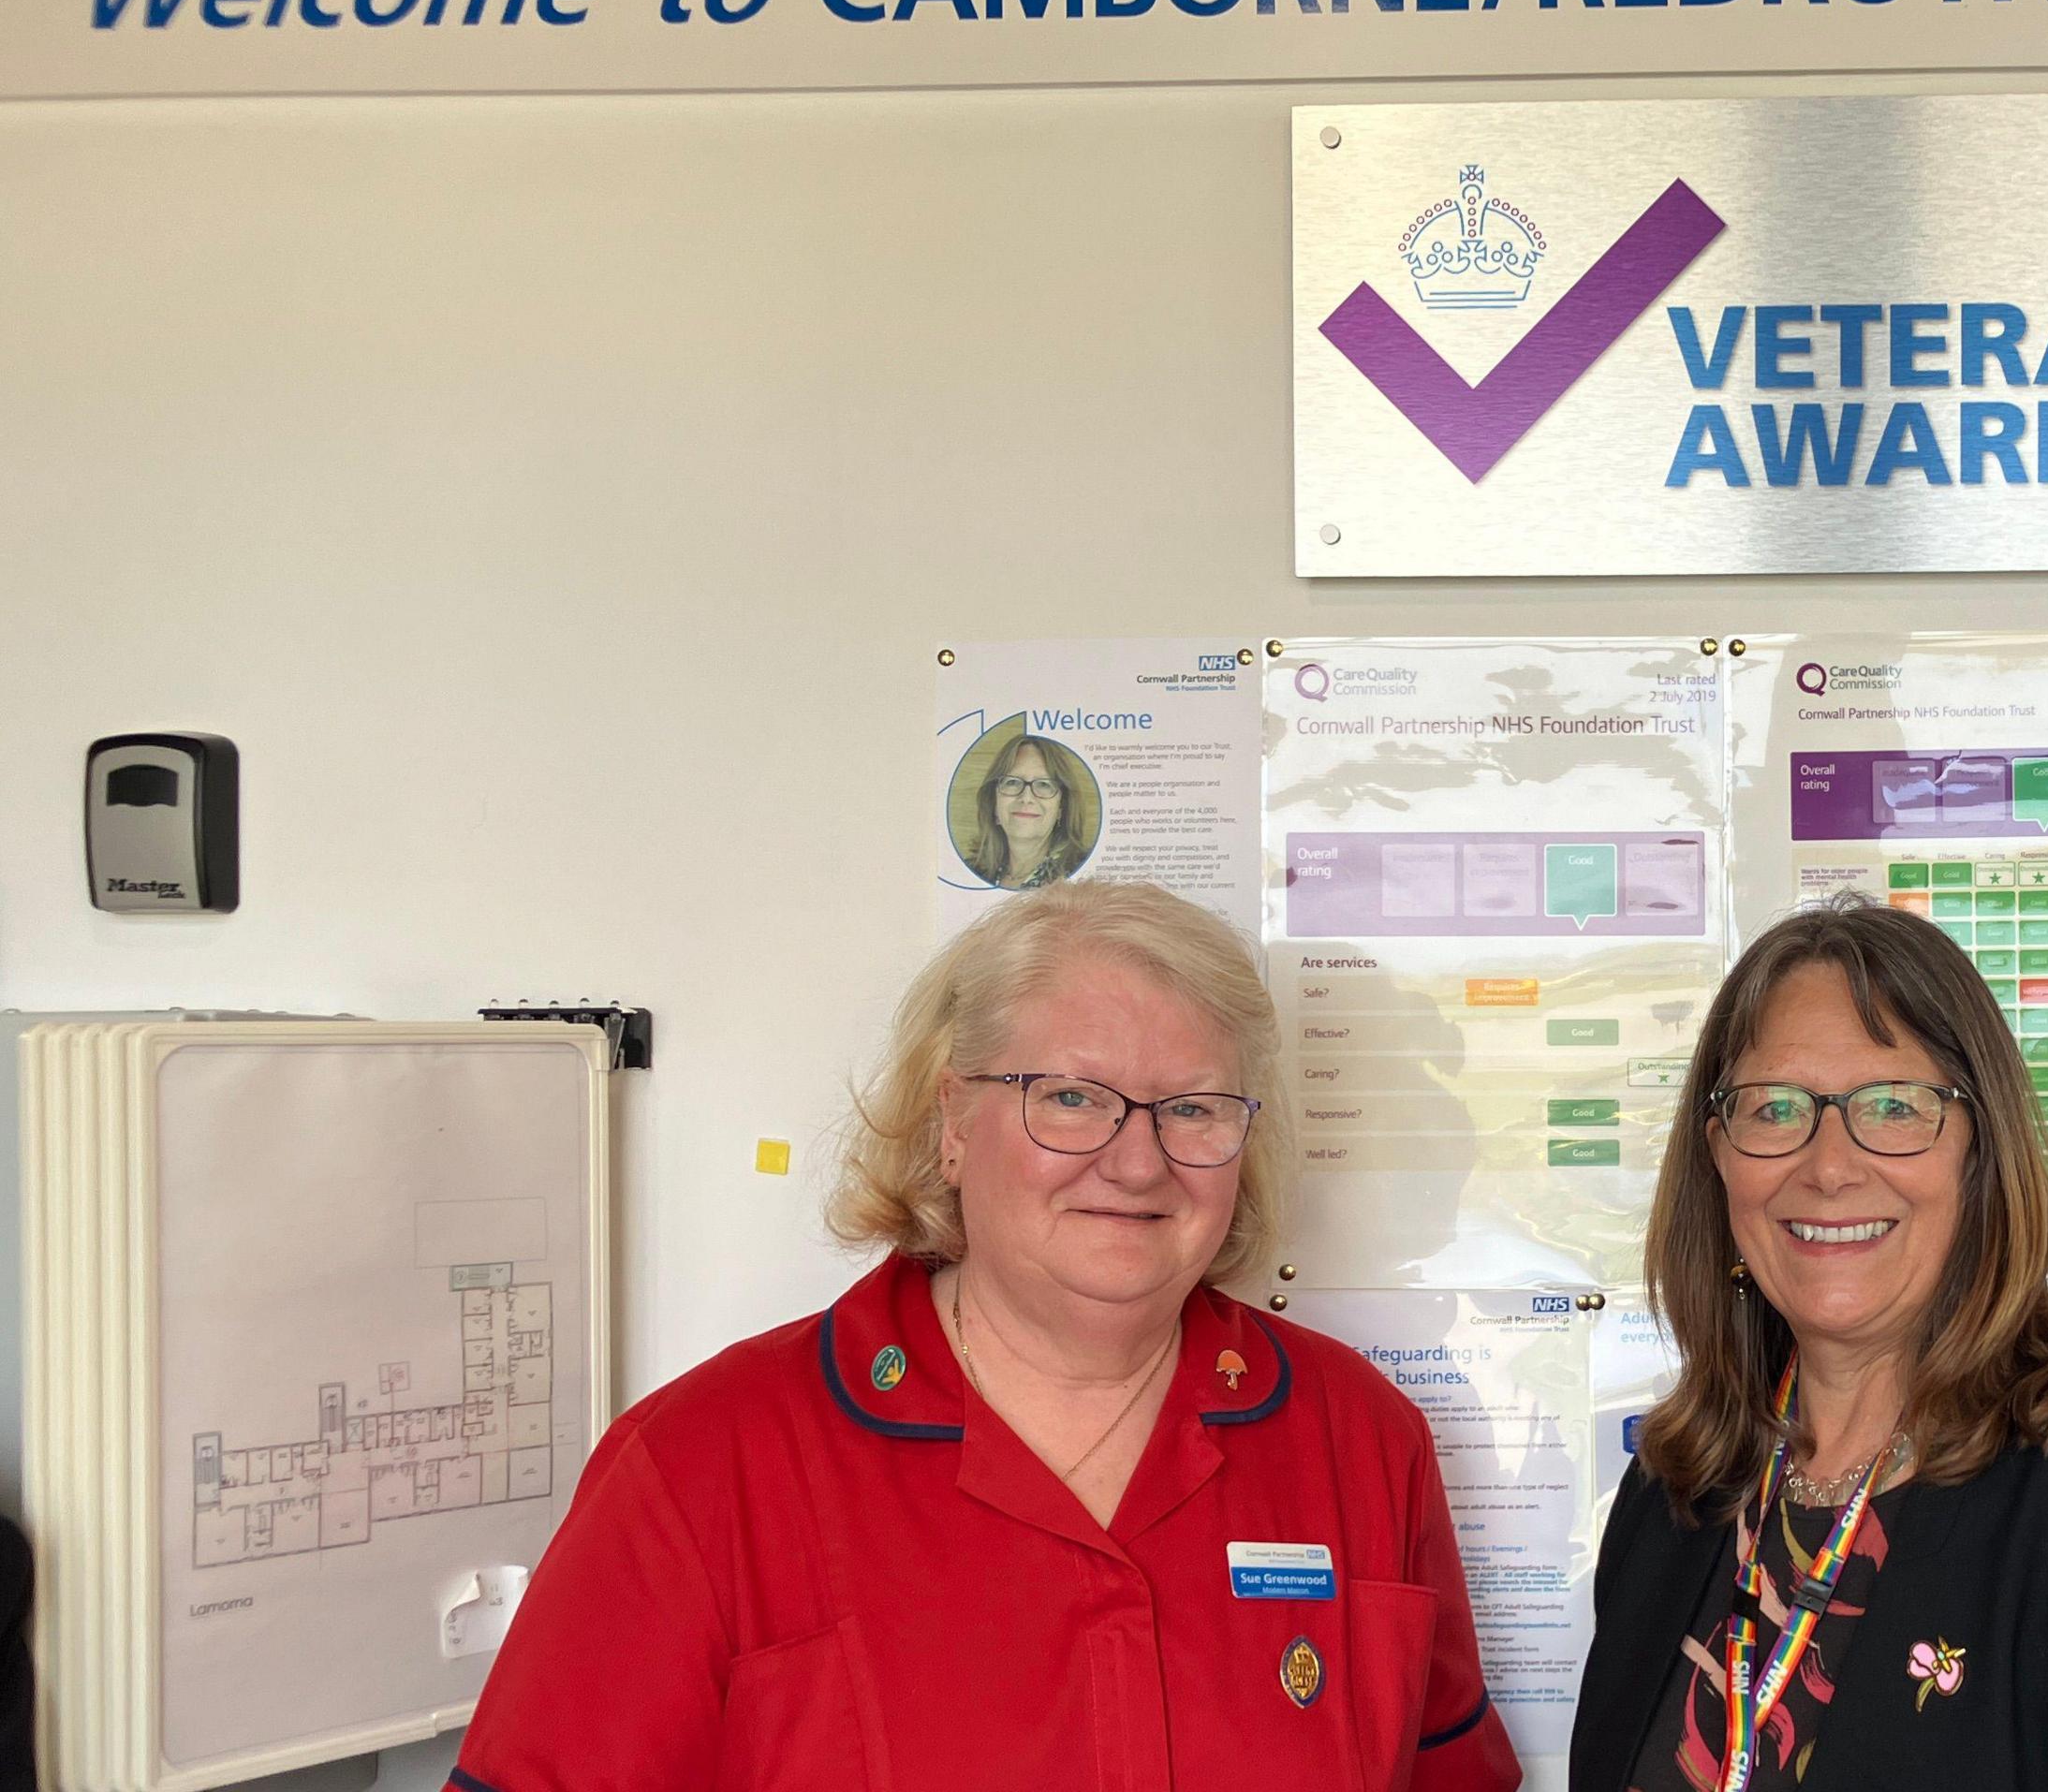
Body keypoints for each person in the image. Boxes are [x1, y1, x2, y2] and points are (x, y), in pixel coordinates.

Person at [454, 882, 1518, 1790]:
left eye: (1193, 1108)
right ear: (953, 1122)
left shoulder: (1361, 1440)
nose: (1138, 1162)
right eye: (1069, 1096)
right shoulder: (701, 1469)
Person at [1572, 898, 2048, 1792]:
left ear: (1981, 1154)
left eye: (1893, 1105)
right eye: (1773, 1109)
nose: (1830, 1166)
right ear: (1716, 1155)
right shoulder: (1675, 1493)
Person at [964, 732, 1093, 889]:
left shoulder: (1083, 878)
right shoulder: (969, 873)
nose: (1026, 798)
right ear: (994, 804)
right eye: (1012, 782)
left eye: (1044, 784)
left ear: (1061, 808)